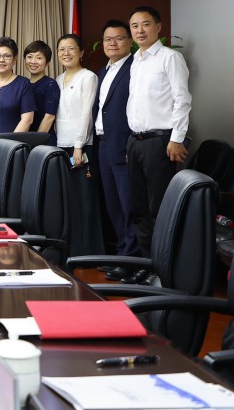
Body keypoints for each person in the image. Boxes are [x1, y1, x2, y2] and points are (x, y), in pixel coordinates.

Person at [126, 5, 192, 262]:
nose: (140, 30)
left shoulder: (169, 58)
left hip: (160, 142)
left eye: (145, 24)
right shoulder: (136, 60)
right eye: (134, 26)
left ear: (158, 27)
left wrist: (176, 138)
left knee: (159, 209)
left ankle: (164, 268)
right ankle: (147, 265)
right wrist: (131, 142)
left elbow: (182, 100)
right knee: (139, 209)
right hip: (136, 141)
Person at [94, 20, 138, 278]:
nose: (113, 43)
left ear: (129, 41)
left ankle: (132, 262)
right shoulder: (104, 71)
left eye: (119, 38)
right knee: (113, 203)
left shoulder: (135, 68)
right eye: (108, 39)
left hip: (124, 145)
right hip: (104, 144)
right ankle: (122, 254)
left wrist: (131, 144)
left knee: (128, 203)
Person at [54, 33, 103, 257]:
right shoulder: (57, 79)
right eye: (62, 49)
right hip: (60, 146)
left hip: (80, 148)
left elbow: (86, 114)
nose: (66, 53)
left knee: (85, 200)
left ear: (81, 52)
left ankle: (89, 252)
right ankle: (71, 250)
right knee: (68, 200)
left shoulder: (88, 77)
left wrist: (78, 146)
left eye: (71, 48)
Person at [23, 40, 59, 145]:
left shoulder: (51, 84)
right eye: (29, 57)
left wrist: (36, 143)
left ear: (47, 62)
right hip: (25, 140)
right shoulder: (23, 84)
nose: (33, 62)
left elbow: (49, 117)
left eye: (39, 58)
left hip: (43, 142)